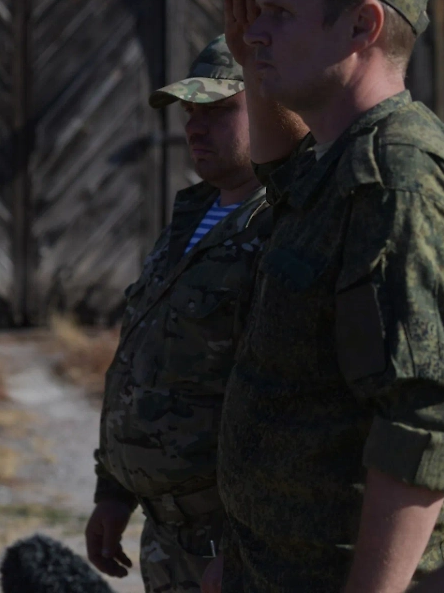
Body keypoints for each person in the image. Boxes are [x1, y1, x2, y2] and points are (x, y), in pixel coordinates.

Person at [200, 0, 444, 593]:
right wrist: (242, 559)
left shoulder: (398, 180)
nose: (254, 31)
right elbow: (281, 177)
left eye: (279, 13)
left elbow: (422, 426)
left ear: (363, 26)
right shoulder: (339, 156)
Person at [85, 37, 305, 592]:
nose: (195, 128)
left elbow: (289, 406)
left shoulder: (284, 226)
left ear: (273, 106)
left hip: (231, 541)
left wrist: (251, 545)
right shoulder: (192, 216)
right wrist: (114, 491)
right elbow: (142, 362)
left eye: (218, 110)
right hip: (168, 535)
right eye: (190, 113)